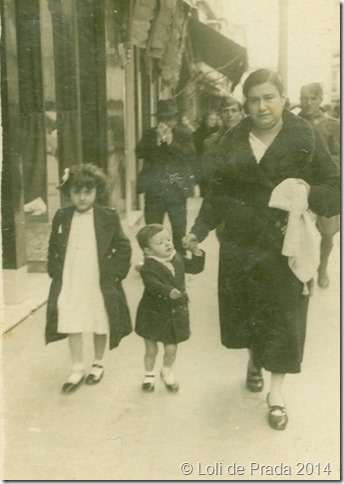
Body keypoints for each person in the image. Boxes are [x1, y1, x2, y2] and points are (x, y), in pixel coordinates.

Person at [183, 69, 340, 430]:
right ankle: (254, 361)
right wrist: (198, 230)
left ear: (283, 99)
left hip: (286, 246)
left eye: (269, 97)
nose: (262, 106)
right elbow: (218, 193)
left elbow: (334, 185)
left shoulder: (305, 136)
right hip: (241, 243)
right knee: (250, 313)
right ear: (245, 104)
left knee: (285, 319)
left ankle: (277, 394)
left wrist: (307, 193)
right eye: (254, 99)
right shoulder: (232, 140)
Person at [46, 164, 132, 393]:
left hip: (97, 277)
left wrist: (115, 274)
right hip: (72, 277)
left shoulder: (107, 217)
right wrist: (55, 270)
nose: (82, 197)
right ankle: (76, 367)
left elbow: (123, 247)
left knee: (98, 318)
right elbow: (54, 246)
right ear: (69, 193)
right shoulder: (62, 217)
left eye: (88, 191)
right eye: (77, 192)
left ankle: (98, 362)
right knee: (71, 316)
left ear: (96, 192)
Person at [135, 224, 205, 393]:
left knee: (171, 348)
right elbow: (153, 285)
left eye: (168, 239)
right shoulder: (148, 267)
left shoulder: (177, 258)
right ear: (148, 251)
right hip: (153, 312)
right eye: (160, 242)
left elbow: (195, 268)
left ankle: (166, 371)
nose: (167, 244)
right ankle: (149, 374)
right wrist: (168, 291)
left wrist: (197, 252)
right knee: (151, 349)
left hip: (174, 312)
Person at [136, 99, 195, 255]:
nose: (166, 122)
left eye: (169, 118)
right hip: (154, 191)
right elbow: (138, 152)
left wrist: (171, 143)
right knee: (152, 231)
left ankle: (180, 262)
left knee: (179, 229)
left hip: (177, 190)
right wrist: (155, 140)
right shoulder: (149, 134)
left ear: (175, 119)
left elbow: (190, 157)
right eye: (162, 119)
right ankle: (152, 263)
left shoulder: (185, 135)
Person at [299, 82, 340, 288]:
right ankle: (305, 274)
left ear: (320, 99)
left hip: (326, 185)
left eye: (312, 98)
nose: (307, 103)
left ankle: (322, 268)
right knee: (301, 232)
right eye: (303, 98)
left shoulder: (333, 125)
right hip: (302, 185)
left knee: (326, 233)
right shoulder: (293, 123)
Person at [200, 97, 244, 195]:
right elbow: (208, 175)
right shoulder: (210, 142)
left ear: (241, 114)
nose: (230, 115)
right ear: (220, 115)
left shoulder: (251, 139)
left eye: (234, 110)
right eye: (225, 111)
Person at [193, 110, 219, 195]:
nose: (214, 122)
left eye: (215, 120)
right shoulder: (199, 132)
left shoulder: (217, 131)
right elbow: (198, 146)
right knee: (204, 185)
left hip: (213, 161)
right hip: (201, 160)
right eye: (212, 120)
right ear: (206, 120)